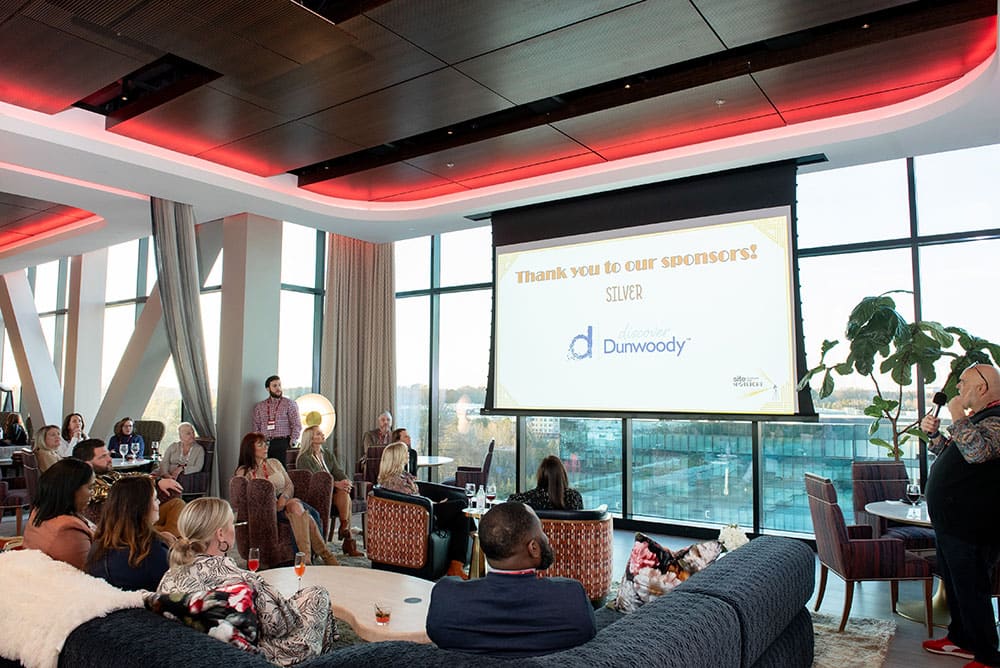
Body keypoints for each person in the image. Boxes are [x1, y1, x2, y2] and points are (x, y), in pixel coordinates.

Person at [158, 498, 338, 666]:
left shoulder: (169, 576)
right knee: (318, 595)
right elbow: (283, 625)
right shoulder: (243, 581)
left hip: (197, 653)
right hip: (249, 658)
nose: (234, 529)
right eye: (232, 524)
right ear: (220, 534)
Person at [426, 501, 596, 657]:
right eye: (542, 531)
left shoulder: (445, 599)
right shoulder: (572, 598)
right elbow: (587, 633)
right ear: (533, 548)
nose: (546, 538)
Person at [920, 363, 1000, 668]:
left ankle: (987, 656)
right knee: (955, 586)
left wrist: (955, 413)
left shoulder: (997, 420)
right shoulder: (979, 418)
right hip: (952, 522)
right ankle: (961, 640)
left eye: (963, 382)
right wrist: (935, 436)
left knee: (972, 589)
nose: (958, 388)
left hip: (973, 525)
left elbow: (977, 453)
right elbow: (955, 455)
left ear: (982, 387)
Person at [234, 432, 341, 565]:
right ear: (250, 448)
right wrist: (272, 502)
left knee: (294, 505)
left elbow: (289, 484)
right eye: (260, 445)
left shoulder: (275, 463)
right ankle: (325, 556)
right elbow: (244, 495)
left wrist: (284, 498)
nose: (266, 447)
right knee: (301, 512)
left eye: (266, 443)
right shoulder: (244, 471)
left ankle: (306, 560)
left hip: (286, 500)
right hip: (266, 512)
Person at [378, 441, 469, 577]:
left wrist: (434, 503)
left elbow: (416, 499)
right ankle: (461, 557)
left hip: (424, 510)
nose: (408, 455)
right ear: (397, 457)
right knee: (461, 506)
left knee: (461, 515)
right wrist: (434, 504)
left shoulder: (402, 476)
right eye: (405, 452)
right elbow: (411, 503)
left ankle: (456, 564)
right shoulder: (393, 482)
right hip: (419, 519)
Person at [73, 438, 185, 538]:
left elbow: (132, 475)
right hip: (125, 522)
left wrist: (158, 481)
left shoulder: (109, 474)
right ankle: (166, 540)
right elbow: (118, 492)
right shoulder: (85, 484)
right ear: (88, 464)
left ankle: (166, 539)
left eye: (108, 454)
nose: (109, 459)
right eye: (103, 457)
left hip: (141, 514)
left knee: (177, 504)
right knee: (170, 526)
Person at [87, 475, 170, 591]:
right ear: (142, 506)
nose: (159, 502)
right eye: (155, 499)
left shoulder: (97, 547)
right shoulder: (152, 551)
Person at [295, 425, 362, 557]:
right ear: (311, 439)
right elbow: (315, 479)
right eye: (318, 434)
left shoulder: (327, 454)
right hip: (317, 494)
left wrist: (346, 481)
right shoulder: (304, 458)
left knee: (344, 492)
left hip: (334, 492)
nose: (322, 435)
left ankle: (344, 527)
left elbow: (337, 471)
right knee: (344, 493)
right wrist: (337, 484)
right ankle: (347, 539)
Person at [22, 458, 95, 569]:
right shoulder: (68, 527)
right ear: (71, 489)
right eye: (90, 488)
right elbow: (88, 571)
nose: (92, 493)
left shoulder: (40, 510)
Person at [251, 375, 301, 467]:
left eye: (279, 385)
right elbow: (256, 426)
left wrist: (293, 441)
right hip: (265, 443)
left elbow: (296, 424)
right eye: (274, 386)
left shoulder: (289, 404)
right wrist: (258, 442)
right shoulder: (260, 406)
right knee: (265, 469)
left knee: (280, 470)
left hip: (282, 443)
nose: (278, 388)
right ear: (268, 389)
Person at [508, 455, 584, 511]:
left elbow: (511, 501)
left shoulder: (528, 498)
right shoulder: (574, 498)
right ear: (562, 476)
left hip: (535, 529)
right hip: (564, 529)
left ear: (540, 475)